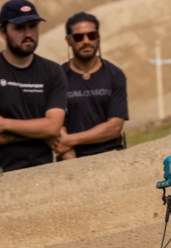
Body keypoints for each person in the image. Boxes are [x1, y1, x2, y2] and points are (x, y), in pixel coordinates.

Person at [0, 0, 67, 181]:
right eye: (20, 28)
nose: (28, 33)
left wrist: (4, 124)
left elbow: (53, 128)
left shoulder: (53, 72)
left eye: (33, 26)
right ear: (2, 31)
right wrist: (40, 132)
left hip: (40, 174)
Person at [53, 12, 129, 159]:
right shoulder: (57, 77)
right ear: (69, 40)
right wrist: (74, 168)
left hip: (113, 156)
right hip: (72, 160)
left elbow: (114, 127)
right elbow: (57, 129)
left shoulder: (115, 74)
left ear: (98, 38)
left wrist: (70, 140)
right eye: (78, 37)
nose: (86, 41)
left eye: (91, 35)